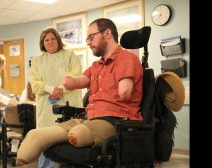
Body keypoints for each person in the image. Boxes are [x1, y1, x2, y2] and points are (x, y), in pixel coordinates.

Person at [16, 18, 143, 165]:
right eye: (87, 38)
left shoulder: (127, 58)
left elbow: (125, 92)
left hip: (116, 121)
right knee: (35, 134)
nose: (88, 42)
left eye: (91, 37)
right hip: (90, 118)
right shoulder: (96, 66)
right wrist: (69, 82)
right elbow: (79, 80)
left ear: (107, 33)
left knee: (77, 134)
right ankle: (34, 142)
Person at [26, 27, 83, 168]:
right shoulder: (38, 61)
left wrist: (60, 89)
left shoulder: (70, 55)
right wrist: (50, 89)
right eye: (46, 40)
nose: (50, 42)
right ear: (42, 43)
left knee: (70, 140)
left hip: (69, 106)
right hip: (47, 110)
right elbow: (34, 83)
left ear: (58, 40)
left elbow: (75, 75)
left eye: (53, 39)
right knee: (47, 142)